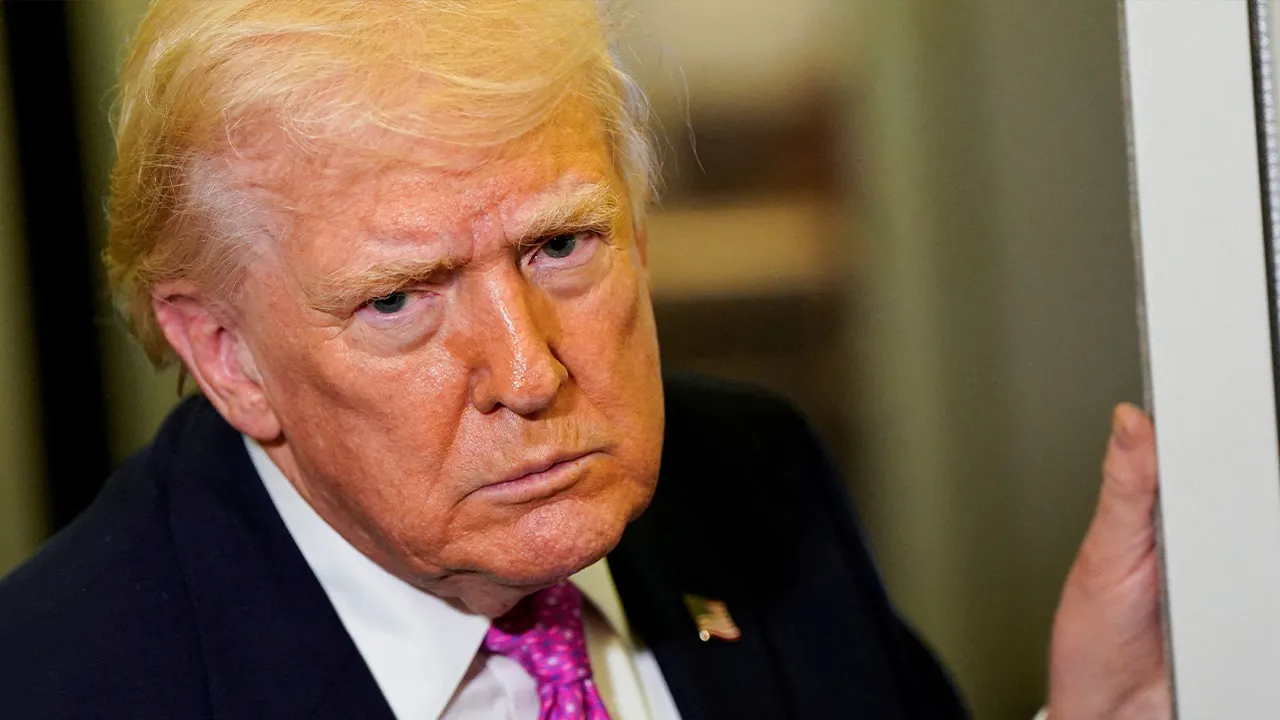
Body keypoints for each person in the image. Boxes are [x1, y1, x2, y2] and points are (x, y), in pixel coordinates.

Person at [0, 1, 1168, 718]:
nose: (528, 372)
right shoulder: (62, 684)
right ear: (227, 356)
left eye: (561, 243)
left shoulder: (752, 478)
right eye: (400, 298)